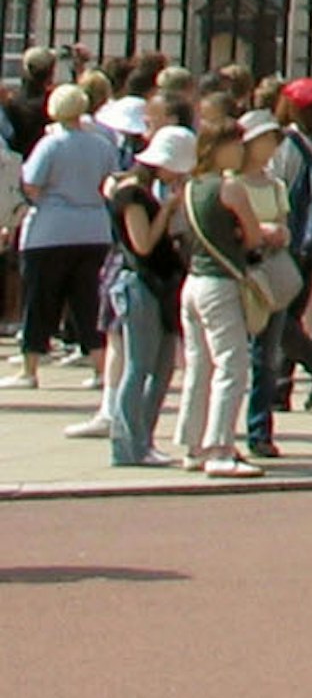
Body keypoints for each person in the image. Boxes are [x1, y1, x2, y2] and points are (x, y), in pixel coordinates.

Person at [172, 113, 268, 478]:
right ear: (221, 148)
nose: (241, 151)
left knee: (199, 366)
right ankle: (220, 447)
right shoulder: (230, 187)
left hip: (194, 282)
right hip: (222, 282)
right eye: (236, 145)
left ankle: (193, 444)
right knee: (232, 365)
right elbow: (255, 236)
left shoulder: (191, 186)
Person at [95, 122, 193, 468]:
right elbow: (142, 244)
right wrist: (168, 211)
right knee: (139, 366)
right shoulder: (131, 195)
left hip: (159, 284)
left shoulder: (145, 192)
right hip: (140, 284)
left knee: (162, 365)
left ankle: (143, 438)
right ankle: (127, 443)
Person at [16, 82, 115, 388]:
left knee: (40, 300)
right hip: (94, 228)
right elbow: (109, 181)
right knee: (88, 302)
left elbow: (31, 184)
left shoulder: (51, 144)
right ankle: (100, 368)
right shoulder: (101, 144)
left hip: (51, 229)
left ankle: (29, 368)